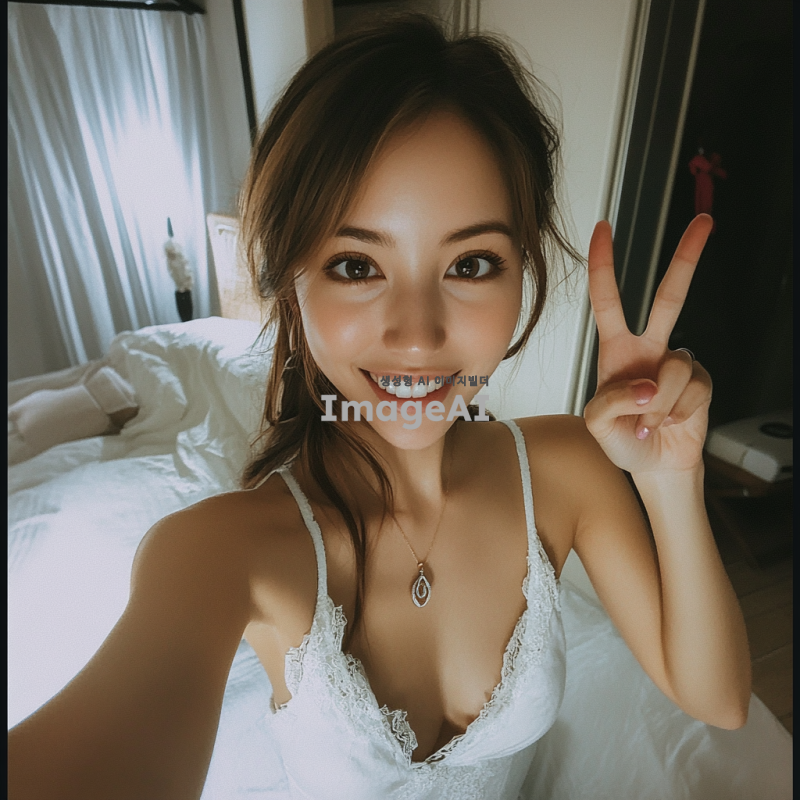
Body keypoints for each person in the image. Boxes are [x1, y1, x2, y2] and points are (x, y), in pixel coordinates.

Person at [8, 14, 751, 800]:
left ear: (522, 271)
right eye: (356, 265)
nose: (418, 336)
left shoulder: (565, 469)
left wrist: (671, 476)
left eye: (471, 263)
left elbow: (720, 702)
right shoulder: (217, 552)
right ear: (290, 283)